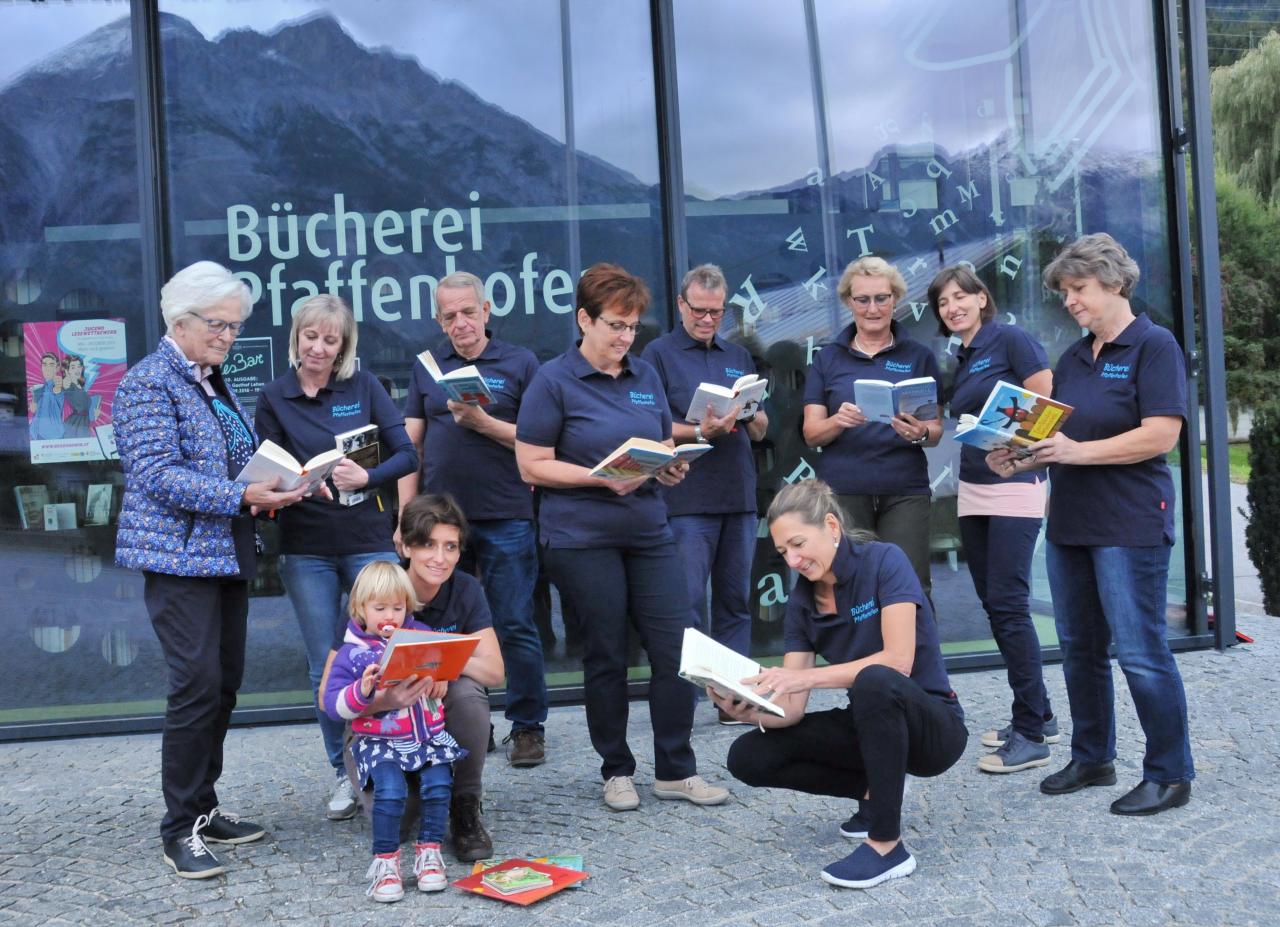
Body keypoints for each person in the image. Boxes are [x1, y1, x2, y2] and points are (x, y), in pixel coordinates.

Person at [114, 260, 311, 878]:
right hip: (179, 560)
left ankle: (203, 808)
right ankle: (179, 829)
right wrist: (243, 496)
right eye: (220, 325)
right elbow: (158, 474)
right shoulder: (148, 383)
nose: (229, 337)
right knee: (195, 686)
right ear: (181, 319)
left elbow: (231, 458)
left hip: (225, 552)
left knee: (223, 685)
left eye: (235, 326)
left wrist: (284, 481)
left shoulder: (209, 380)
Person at [987, 232, 1194, 815]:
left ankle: (1170, 773)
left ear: (1114, 282)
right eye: (1064, 293)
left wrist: (1073, 453)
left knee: (1140, 650)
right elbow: (1058, 435)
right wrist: (1017, 456)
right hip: (1071, 521)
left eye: (1078, 289)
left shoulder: (1155, 346)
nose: (1070, 301)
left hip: (1129, 521)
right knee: (1079, 647)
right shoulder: (1075, 357)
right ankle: (1092, 757)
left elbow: (1161, 435)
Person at [515, 262, 730, 812]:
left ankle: (676, 770)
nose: (625, 337)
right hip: (581, 536)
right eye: (615, 325)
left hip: (649, 528)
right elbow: (531, 465)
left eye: (633, 327)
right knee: (607, 653)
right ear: (584, 319)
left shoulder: (645, 376)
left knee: (676, 648)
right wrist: (598, 477)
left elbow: (657, 444)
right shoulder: (552, 379)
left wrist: (669, 468)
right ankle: (617, 770)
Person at [715, 479, 966, 890]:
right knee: (749, 756)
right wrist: (747, 708)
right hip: (873, 723)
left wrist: (802, 677)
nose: (792, 560)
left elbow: (898, 661)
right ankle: (875, 792)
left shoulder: (885, 561)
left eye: (798, 544)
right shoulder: (802, 602)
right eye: (782, 552)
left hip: (934, 728)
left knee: (875, 679)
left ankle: (887, 846)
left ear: (831, 527)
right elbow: (792, 709)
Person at [255, 294, 418, 823]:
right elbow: (266, 468)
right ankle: (342, 771)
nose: (319, 348)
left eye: (331, 340)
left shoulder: (364, 386)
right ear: (296, 336)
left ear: (344, 345)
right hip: (307, 546)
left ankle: (396, 755)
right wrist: (297, 484)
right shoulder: (274, 396)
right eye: (311, 337)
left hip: (366, 538)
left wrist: (365, 476)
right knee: (324, 662)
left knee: (388, 647)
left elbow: (407, 454)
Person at [398, 271, 548, 768]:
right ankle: (464, 722)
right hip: (441, 523)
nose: (459, 323)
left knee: (513, 623)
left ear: (486, 310)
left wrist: (483, 423)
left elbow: (540, 440)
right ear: (439, 320)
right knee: (445, 629)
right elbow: (410, 446)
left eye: (468, 312)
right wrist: (405, 517)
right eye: (449, 316)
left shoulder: (521, 363)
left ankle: (527, 727)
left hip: (506, 512)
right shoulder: (426, 366)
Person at [928, 265, 1058, 773]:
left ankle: (1030, 735)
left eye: (961, 296)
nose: (953, 307)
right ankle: (1039, 713)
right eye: (943, 302)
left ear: (983, 298)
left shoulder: (1011, 339)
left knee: (1008, 604)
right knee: (993, 602)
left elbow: (1046, 405)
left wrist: (1010, 444)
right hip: (974, 488)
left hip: (1016, 488)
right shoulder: (961, 356)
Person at [641, 263, 768, 725]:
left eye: (717, 312)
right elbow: (652, 425)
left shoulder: (739, 354)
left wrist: (750, 413)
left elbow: (762, 430)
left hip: (737, 493)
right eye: (700, 311)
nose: (709, 319)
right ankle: (689, 696)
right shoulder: (656, 354)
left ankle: (733, 696)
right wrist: (700, 428)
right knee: (689, 602)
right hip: (687, 498)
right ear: (680, 304)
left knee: (735, 601)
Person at [322, 560, 467, 903]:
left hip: (425, 736)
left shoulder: (421, 638)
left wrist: (441, 680)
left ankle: (429, 853)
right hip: (380, 740)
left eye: (398, 608)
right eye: (380, 608)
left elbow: (442, 669)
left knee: (439, 785)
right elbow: (332, 705)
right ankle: (385, 862)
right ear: (360, 609)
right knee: (389, 793)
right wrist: (363, 690)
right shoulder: (351, 654)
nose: (390, 615)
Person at [803, 257, 942, 598]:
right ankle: (859, 654)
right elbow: (811, 433)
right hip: (845, 489)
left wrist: (919, 432)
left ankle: (916, 654)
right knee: (850, 587)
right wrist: (838, 420)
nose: (873, 308)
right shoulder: (827, 358)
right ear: (849, 302)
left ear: (895, 299)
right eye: (862, 299)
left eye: (882, 298)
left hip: (904, 487)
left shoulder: (918, 355)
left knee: (911, 586)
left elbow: (935, 429)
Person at [398, 493, 505, 861]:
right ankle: (412, 787)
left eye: (451, 547)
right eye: (428, 544)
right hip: (387, 717)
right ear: (407, 545)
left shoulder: (466, 589)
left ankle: (465, 804)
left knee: (470, 694)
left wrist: (440, 658)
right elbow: (332, 691)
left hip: (444, 706)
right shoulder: (380, 586)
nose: (440, 558)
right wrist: (440, 656)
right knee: (397, 822)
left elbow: (493, 671)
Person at [29, 352, 65, 440]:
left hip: (52, 436)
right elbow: (34, 411)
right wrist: (33, 408)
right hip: (35, 433)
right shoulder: (39, 390)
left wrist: (58, 386)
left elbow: (58, 391)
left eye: (51, 365)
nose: (47, 368)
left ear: (57, 368)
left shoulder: (57, 386)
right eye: (44, 365)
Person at [61, 355, 94, 437]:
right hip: (75, 424)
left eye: (79, 366)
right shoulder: (68, 385)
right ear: (67, 370)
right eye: (73, 367)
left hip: (84, 422)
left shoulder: (80, 385)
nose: (77, 369)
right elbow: (65, 385)